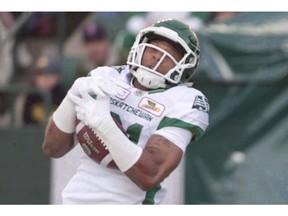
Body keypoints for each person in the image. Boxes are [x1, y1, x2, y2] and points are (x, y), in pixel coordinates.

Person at [42, 18, 210, 204]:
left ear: (184, 66)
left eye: (170, 54)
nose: (157, 57)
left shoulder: (186, 100)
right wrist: (72, 96)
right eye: (154, 49)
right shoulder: (106, 76)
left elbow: (150, 175)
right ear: (140, 47)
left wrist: (105, 126)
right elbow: (52, 148)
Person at [21, 55, 66, 125]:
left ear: (58, 77)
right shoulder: (31, 95)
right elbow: (26, 122)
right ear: (35, 77)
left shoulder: (62, 95)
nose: (45, 78)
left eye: (50, 74)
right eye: (40, 74)